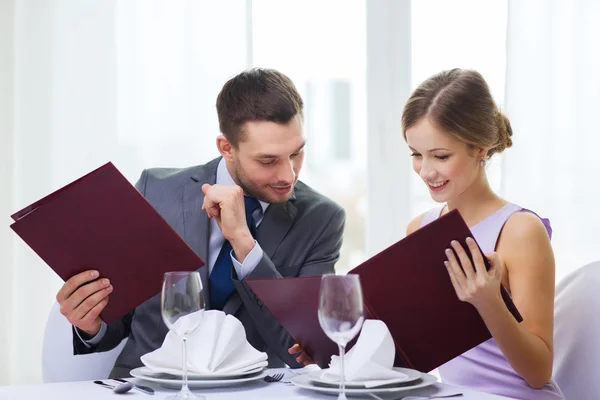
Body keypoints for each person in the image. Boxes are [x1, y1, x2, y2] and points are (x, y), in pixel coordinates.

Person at [55, 68, 344, 378]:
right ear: (226, 148)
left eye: (297, 153)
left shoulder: (321, 220)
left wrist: (245, 246)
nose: (289, 175)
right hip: (148, 390)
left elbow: (302, 352)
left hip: (253, 393)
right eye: (268, 160)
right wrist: (91, 324)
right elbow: (120, 323)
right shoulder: (157, 190)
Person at [403, 68, 563, 399]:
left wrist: (489, 301)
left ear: (479, 149)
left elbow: (538, 372)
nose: (426, 170)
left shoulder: (520, 231)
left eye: (441, 156)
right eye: (416, 154)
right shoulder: (419, 229)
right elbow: (415, 350)